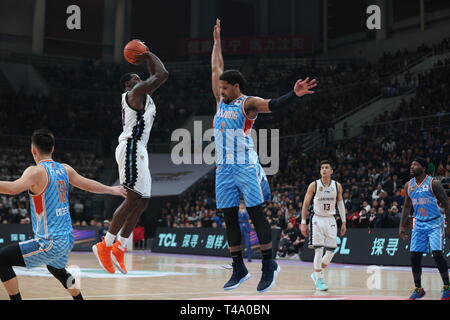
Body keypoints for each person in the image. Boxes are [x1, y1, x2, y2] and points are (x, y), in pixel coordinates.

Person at [211, 19, 317, 293]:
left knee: (257, 214)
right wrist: (217, 42)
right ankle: (239, 268)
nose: (220, 91)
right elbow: (216, 67)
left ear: (235, 86)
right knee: (230, 218)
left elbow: (274, 105)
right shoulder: (220, 101)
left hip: (245, 165)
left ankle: (269, 264)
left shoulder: (248, 103)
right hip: (223, 168)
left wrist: (293, 94)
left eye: (224, 88)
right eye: (219, 88)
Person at [0, 129, 126, 300]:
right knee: (56, 268)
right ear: (53, 149)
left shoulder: (35, 171)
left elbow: (13, 188)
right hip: (67, 239)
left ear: (33, 150)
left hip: (49, 242)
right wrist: (111, 189)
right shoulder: (64, 169)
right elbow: (87, 185)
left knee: (2, 259)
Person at [92, 41, 169, 274]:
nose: (140, 79)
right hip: (132, 146)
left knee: (143, 202)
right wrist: (146, 54)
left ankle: (120, 247)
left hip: (140, 149)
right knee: (132, 198)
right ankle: (104, 245)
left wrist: (146, 57)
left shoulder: (142, 94)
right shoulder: (133, 93)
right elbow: (162, 74)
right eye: (135, 77)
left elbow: (157, 75)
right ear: (127, 84)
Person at [399, 157, 450, 300]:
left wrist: (449, 226)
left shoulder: (434, 183)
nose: (411, 166)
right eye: (411, 164)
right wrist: (402, 226)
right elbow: (407, 207)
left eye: (415, 164)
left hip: (435, 223)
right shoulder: (408, 185)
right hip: (419, 224)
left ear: (423, 168)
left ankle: (447, 287)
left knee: (437, 254)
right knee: (414, 257)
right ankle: (419, 289)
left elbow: (447, 204)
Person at [300, 160, 346, 291]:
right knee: (319, 250)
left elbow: (340, 204)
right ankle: (320, 279)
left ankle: (316, 273)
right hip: (317, 220)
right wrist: (303, 223)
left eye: (327, 168)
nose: (324, 170)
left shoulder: (337, 186)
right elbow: (305, 205)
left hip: (331, 219)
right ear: (320, 171)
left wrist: (344, 221)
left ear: (331, 171)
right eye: (322, 168)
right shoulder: (313, 185)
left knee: (331, 252)